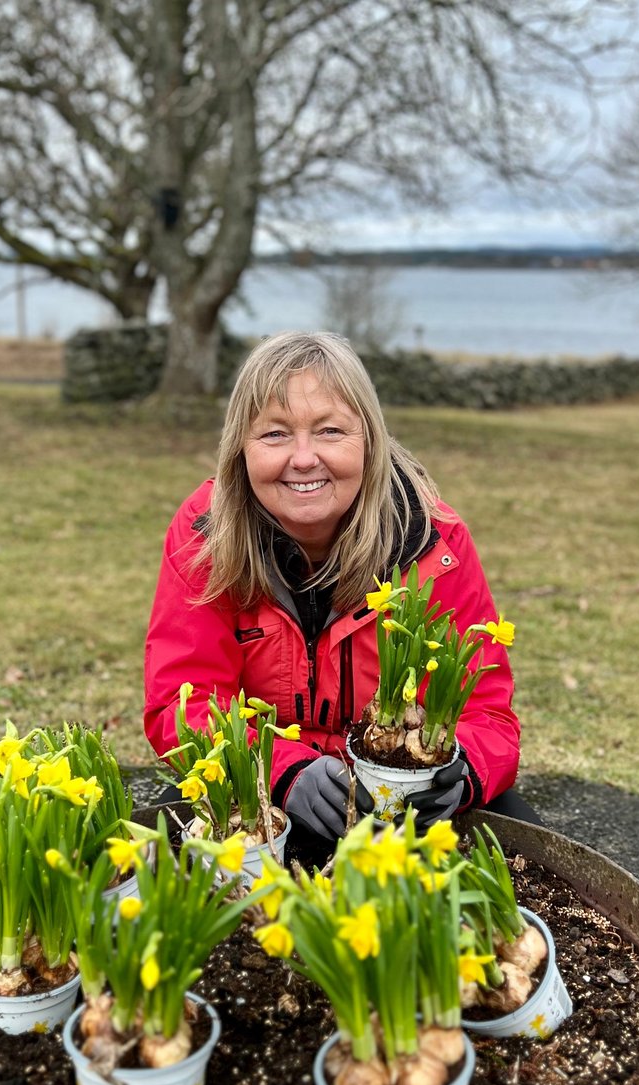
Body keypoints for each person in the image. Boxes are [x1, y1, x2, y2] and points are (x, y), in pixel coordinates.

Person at [143, 331, 540, 849]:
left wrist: (459, 770)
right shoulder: (205, 536)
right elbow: (182, 702)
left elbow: (485, 714)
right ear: (239, 450)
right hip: (266, 788)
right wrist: (284, 772)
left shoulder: (432, 543)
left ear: (369, 441)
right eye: (275, 435)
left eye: (330, 431)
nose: (304, 458)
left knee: (519, 852)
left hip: (402, 797)